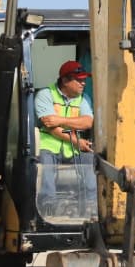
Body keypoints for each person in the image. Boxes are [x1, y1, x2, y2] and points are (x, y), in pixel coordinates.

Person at [36, 60, 94, 209]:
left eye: (84, 80)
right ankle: (49, 206)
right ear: (65, 80)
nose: (83, 84)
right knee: (45, 162)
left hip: (73, 150)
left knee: (91, 160)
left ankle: (91, 205)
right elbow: (51, 127)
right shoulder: (45, 95)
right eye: (79, 80)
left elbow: (87, 122)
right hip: (48, 146)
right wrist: (76, 141)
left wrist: (60, 119)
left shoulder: (84, 99)